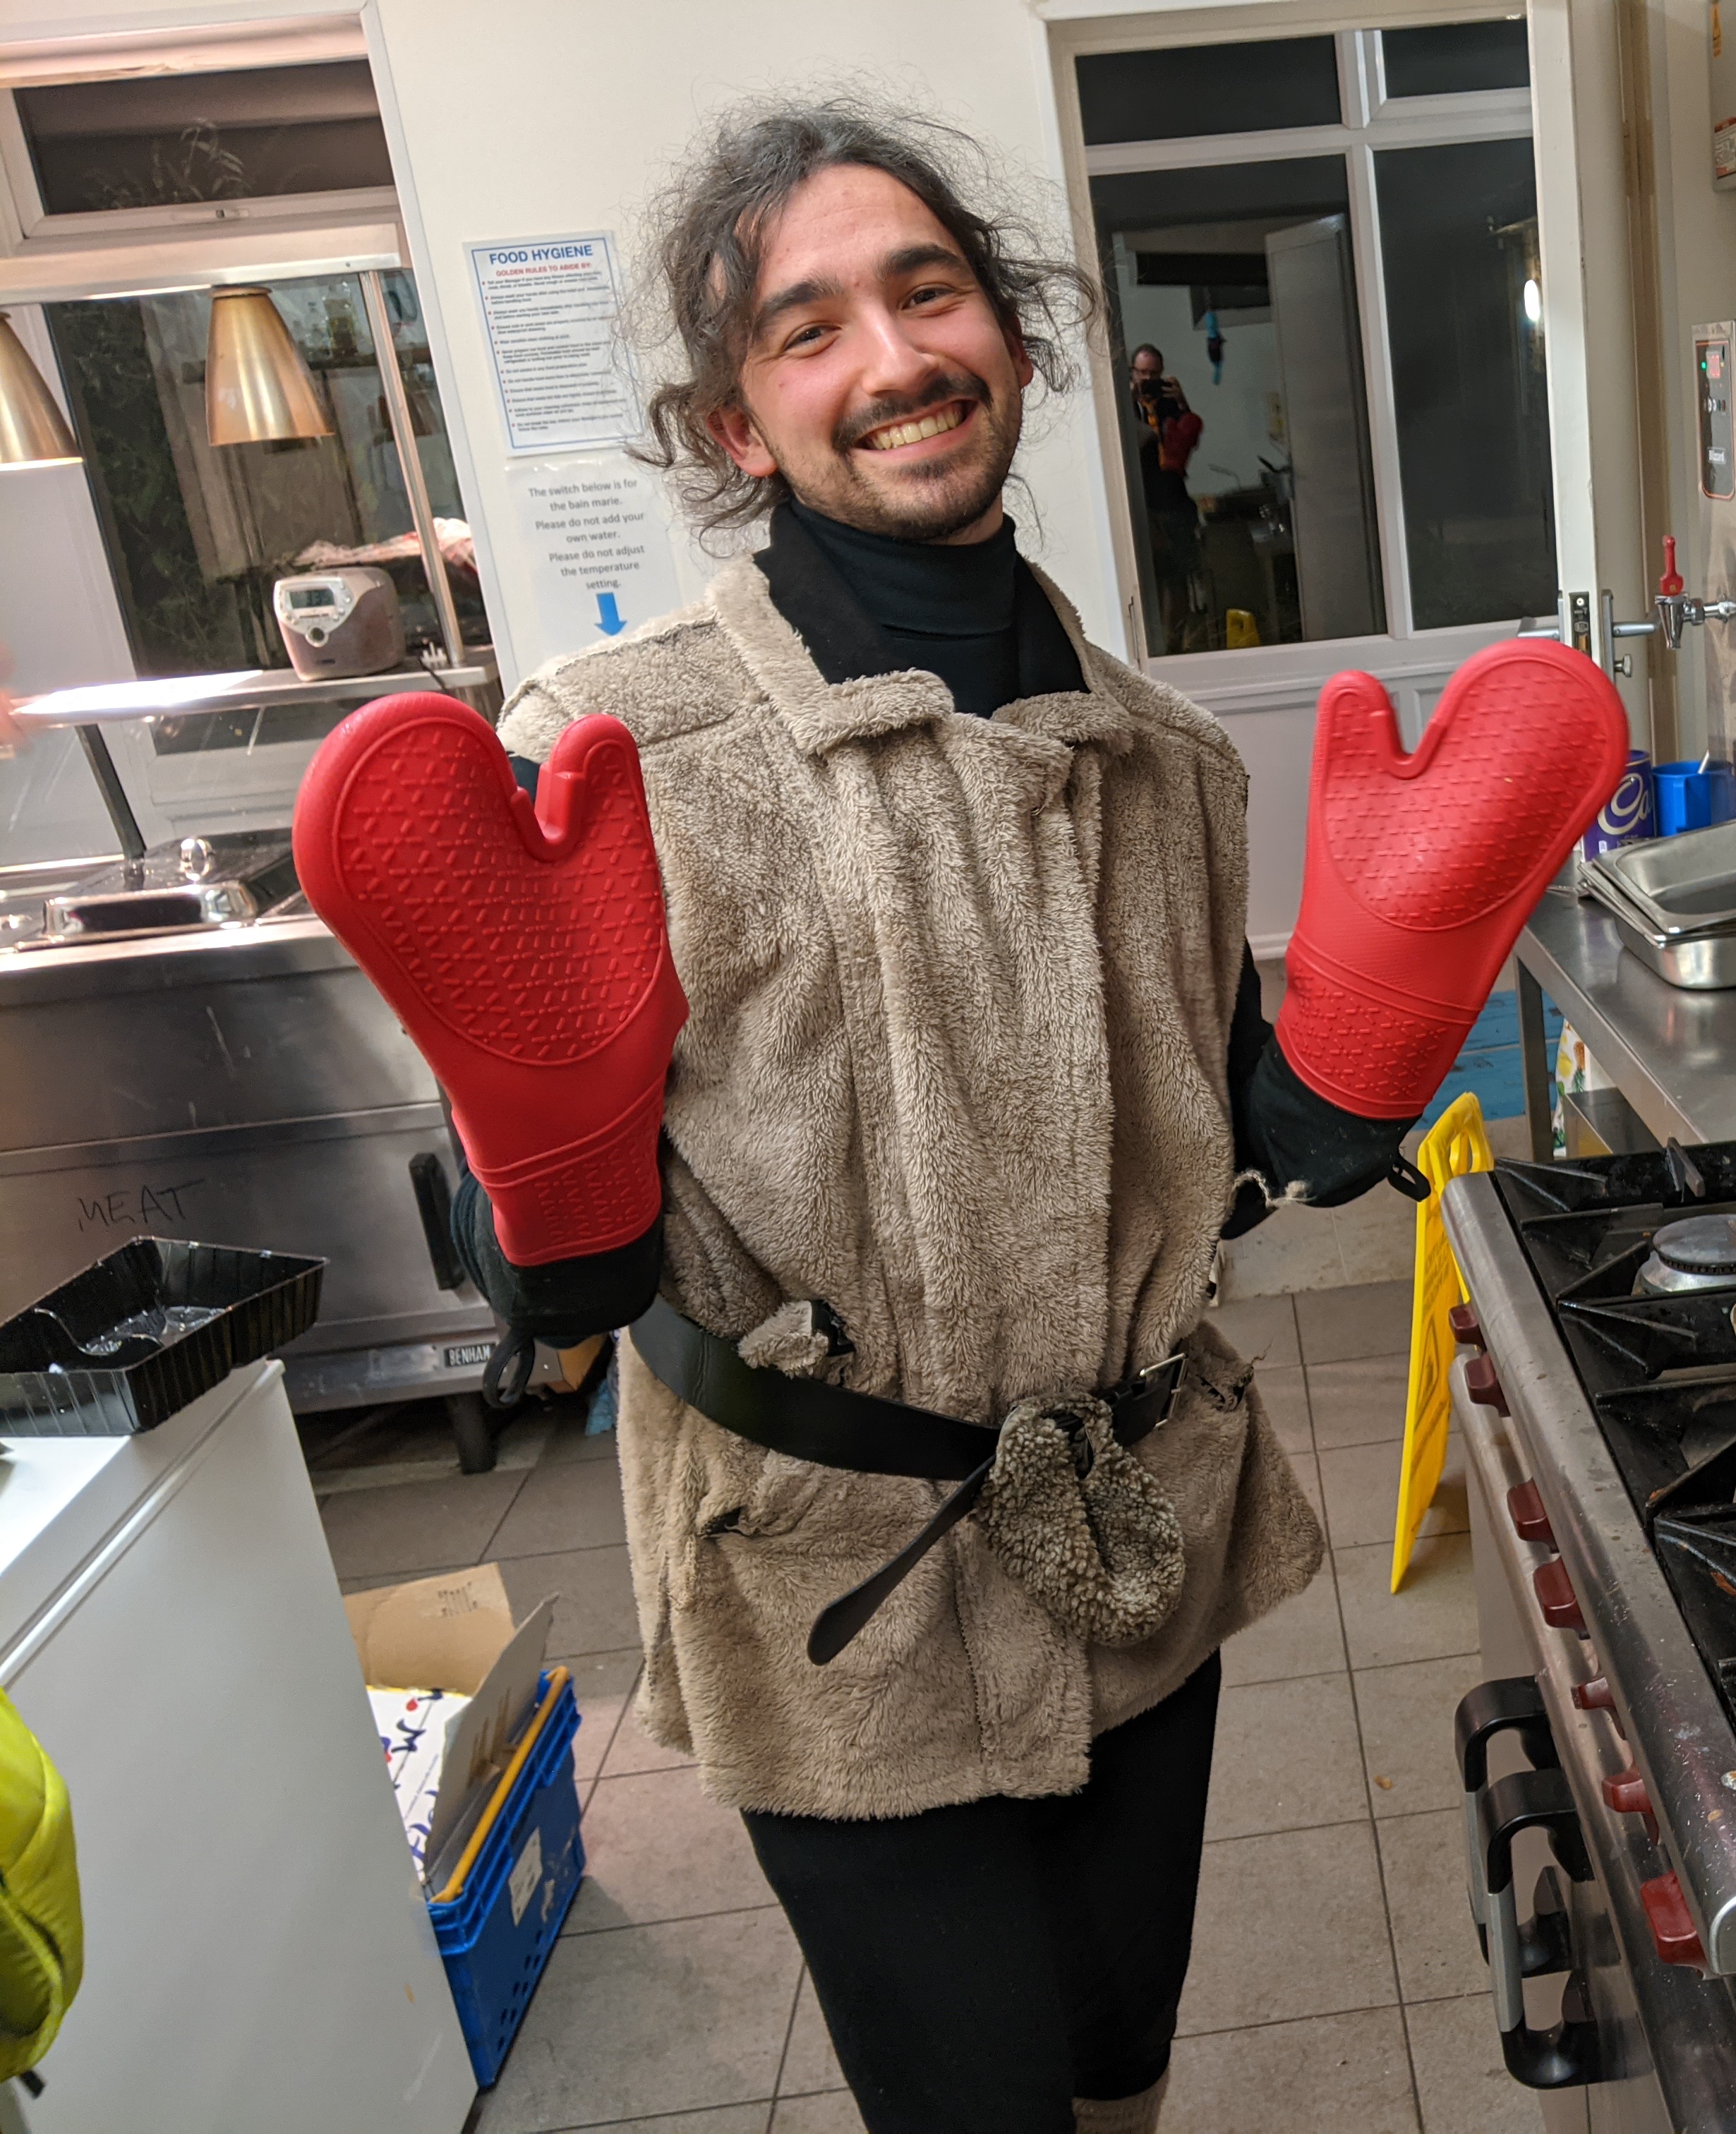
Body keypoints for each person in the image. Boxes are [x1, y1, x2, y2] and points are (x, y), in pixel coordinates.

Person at [291, 93, 1623, 2134]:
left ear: (1010, 333)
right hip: (839, 1590)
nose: (894, 359)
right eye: (808, 329)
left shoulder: (1168, 764)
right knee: (976, 2109)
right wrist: (547, 1177)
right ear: (737, 426)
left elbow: (1205, 1154)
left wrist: (1336, 1085)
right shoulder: (618, 757)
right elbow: (537, 1268)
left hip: (1131, 1533)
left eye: (928, 294)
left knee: (1121, 2064)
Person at [1126, 344, 1204, 646]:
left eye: (1154, 374)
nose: (1148, 380)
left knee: (1179, 576)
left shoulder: (1171, 405)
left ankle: (1176, 642)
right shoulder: (1125, 408)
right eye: (1142, 373)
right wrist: (1129, 399)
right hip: (1144, 504)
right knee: (1151, 581)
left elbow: (1188, 444)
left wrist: (1182, 403)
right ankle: (1155, 645)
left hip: (1174, 501)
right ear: (1132, 373)